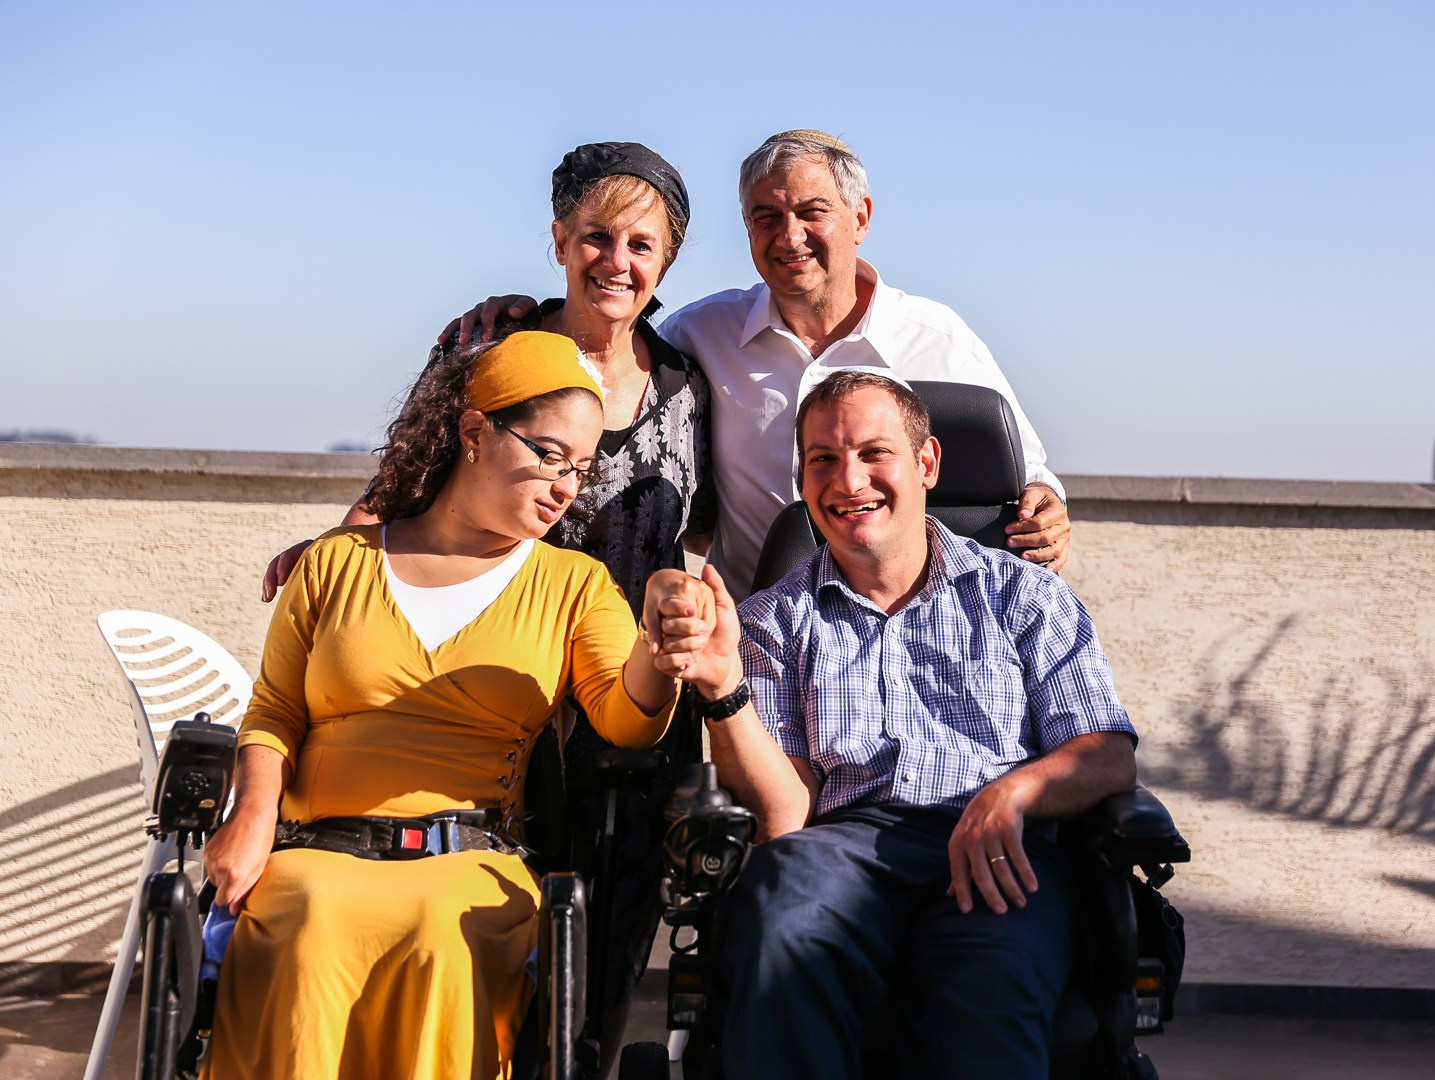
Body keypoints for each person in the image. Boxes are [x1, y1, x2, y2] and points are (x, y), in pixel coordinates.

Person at [260, 142, 716, 1063]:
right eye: (595, 236)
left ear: (666, 263)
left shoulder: (688, 388)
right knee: (480, 951)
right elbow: (407, 474)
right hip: (497, 692)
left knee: (597, 974)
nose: (616, 261)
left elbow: (707, 525)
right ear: (559, 239)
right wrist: (338, 553)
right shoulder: (487, 345)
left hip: (620, 704)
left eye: (641, 245)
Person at [675, 370, 1138, 1078]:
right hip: (837, 850)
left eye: (874, 454)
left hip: (996, 846)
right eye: (823, 459)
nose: (848, 481)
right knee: (783, 930)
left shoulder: (1026, 597)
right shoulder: (770, 622)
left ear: (926, 464)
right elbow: (786, 814)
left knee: (984, 997)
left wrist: (1011, 794)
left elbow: (1105, 754)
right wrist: (723, 689)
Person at [454, 129, 1072, 598]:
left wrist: (1046, 505)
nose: (789, 235)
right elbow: (610, 328)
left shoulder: (938, 340)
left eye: (812, 212)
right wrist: (519, 318)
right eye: (766, 217)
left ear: (860, 218)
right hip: (757, 656)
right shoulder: (700, 337)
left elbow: (1024, 474)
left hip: (911, 640)